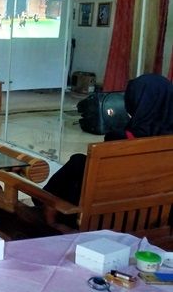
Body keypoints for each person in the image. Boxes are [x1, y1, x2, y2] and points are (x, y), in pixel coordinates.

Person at [41, 74, 173, 227]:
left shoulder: (121, 140)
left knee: (79, 163)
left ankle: (46, 204)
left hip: (109, 222)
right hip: (157, 221)